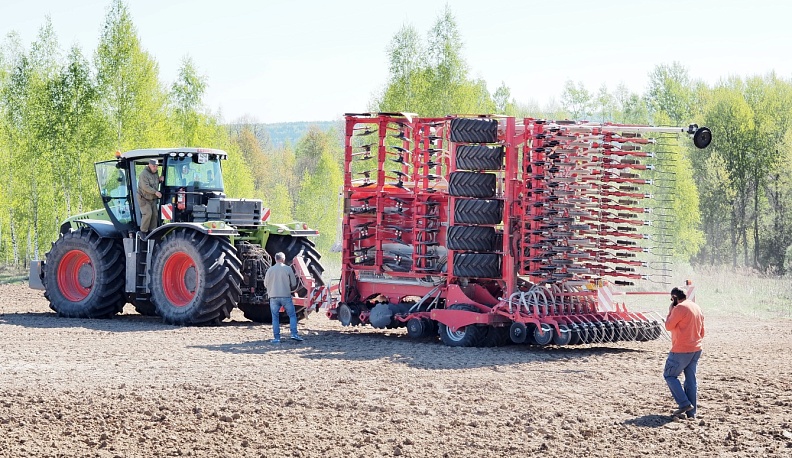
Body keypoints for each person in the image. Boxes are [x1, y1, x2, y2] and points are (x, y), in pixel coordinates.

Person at [663, 286, 705, 419]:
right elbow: (702, 332)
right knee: (691, 380)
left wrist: (670, 311)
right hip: (696, 348)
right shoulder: (696, 307)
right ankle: (691, 413)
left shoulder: (679, 308)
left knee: (669, 376)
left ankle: (684, 403)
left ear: (674, 298)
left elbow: (668, 326)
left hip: (681, 350)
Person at [264, 252, 303, 343]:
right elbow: (293, 283)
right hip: (286, 296)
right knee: (292, 315)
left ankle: (276, 338)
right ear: (283, 259)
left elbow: (265, 283)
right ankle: (294, 334)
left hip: (273, 297)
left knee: (275, 318)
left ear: (276, 259)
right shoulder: (288, 269)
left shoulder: (270, 270)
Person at [137, 158, 163, 235]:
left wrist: (160, 180)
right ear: (149, 165)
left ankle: (152, 232)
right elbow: (145, 187)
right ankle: (143, 232)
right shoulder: (143, 174)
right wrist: (156, 192)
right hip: (144, 198)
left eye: (157, 166)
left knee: (155, 214)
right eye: (154, 166)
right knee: (148, 213)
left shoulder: (155, 173)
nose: (155, 168)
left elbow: (154, 183)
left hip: (152, 198)